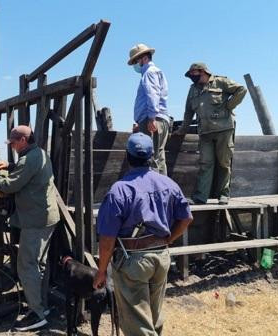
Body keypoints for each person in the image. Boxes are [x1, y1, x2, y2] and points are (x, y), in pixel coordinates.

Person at [93, 132, 193, 336]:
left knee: (137, 324)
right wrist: (169, 239)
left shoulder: (119, 191)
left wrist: (102, 270)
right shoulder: (168, 184)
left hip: (133, 260)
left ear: (127, 157)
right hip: (161, 257)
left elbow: (107, 239)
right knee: (153, 317)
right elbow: (186, 218)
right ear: (151, 157)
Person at [0, 125, 60, 332]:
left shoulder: (30, 158)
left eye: (14, 143)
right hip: (45, 217)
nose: (13, 147)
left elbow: (10, 186)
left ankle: (37, 313)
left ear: (23, 141)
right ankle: (41, 306)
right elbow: (26, 171)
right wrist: (10, 166)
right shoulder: (38, 154)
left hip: (35, 221)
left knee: (27, 266)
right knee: (38, 265)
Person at [175, 62, 247, 205]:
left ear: (202, 71)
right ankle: (200, 197)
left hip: (223, 129)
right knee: (205, 164)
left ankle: (223, 195)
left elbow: (241, 90)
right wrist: (182, 130)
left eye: (193, 73)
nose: (191, 77)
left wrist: (229, 106)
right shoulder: (193, 89)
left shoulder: (220, 82)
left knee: (224, 163)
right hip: (205, 133)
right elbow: (188, 111)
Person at [128, 43, 171, 175]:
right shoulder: (155, 72)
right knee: (159, 156)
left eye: (136, 61)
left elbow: (152, 95)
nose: (135, 64)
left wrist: (151, 118)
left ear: (144, 58)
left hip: (152, 118)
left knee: (151, 158)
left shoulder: (149, 73)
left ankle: (155, 191)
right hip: (158, 118)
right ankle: (164, 190)